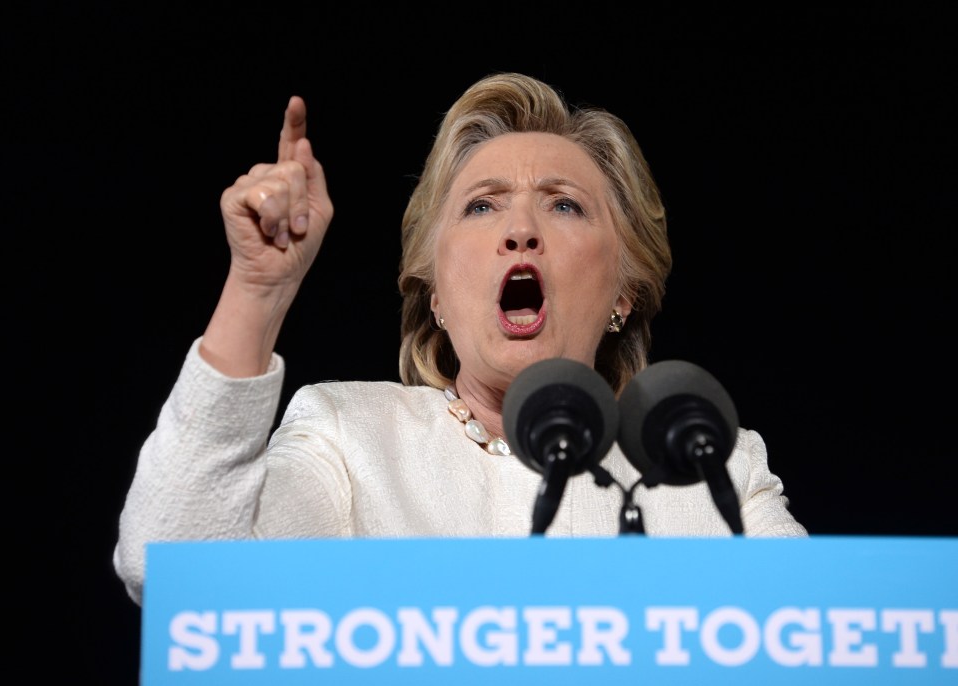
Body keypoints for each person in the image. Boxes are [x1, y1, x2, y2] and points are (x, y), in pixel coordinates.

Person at [113, 72, 806, 606]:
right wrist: (258, 292)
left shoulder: (713, 467)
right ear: (437, 295)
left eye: (564, 204)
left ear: (624, 291)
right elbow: (176, 572)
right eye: (482, 205)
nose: (521, 229)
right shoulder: (352, 439)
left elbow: (821, 641)